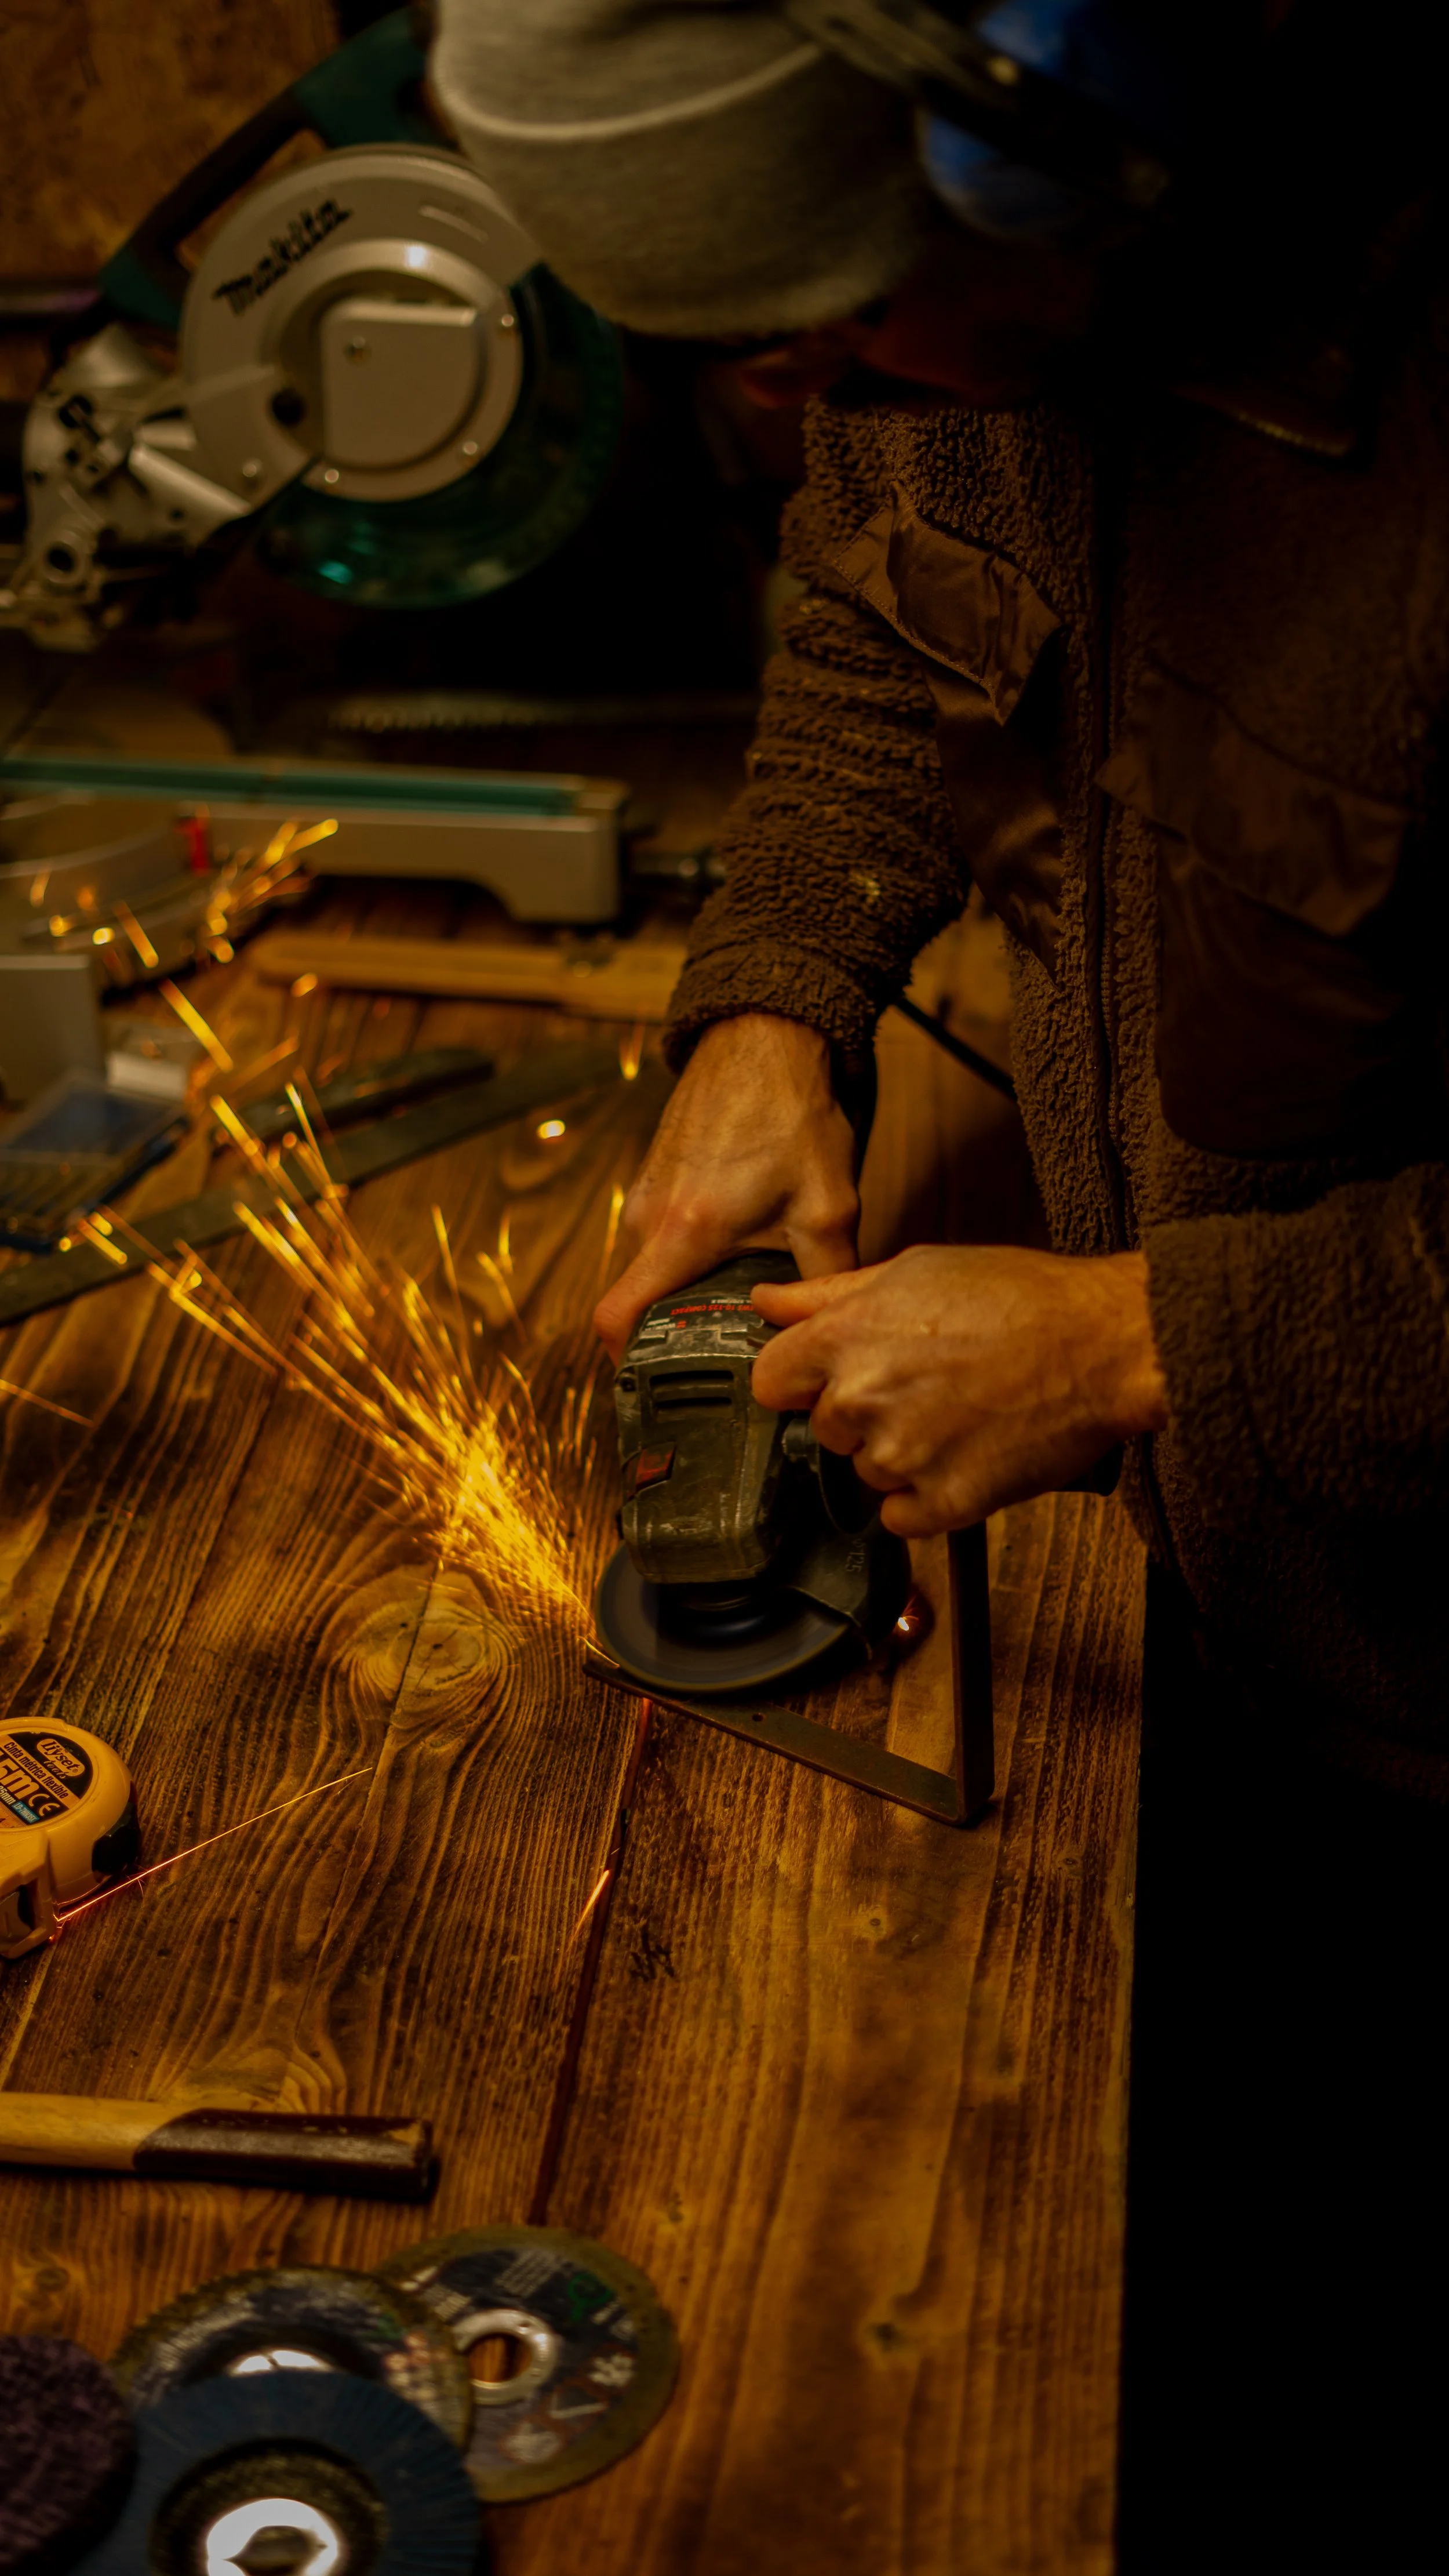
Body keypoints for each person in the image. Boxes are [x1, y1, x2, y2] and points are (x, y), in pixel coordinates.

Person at [432, 1, 1449, 2555]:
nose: (833, 386)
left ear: (1049, 138)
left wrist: (1137, 1337)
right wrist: (778, 991)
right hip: (1219, 1627)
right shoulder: (977, 310)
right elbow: (894, 614)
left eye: (864, 312)